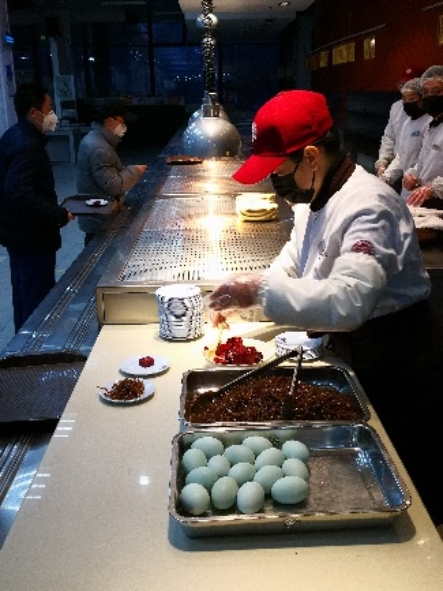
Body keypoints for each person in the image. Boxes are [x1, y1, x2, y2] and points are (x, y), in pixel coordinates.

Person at [208, 90, 443, 527]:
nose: (275, 180)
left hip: (396, 355)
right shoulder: (313, 197)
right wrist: (247, 295)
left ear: (311, 156)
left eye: (279, 169)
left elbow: (349, 301)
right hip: (352, 349)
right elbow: (293, 261)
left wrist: (259, 293)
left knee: (404, 475)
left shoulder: (370, 206)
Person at [0, 82, 75, 332]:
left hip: (16, 234)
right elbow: (18, 191)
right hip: (32, 237)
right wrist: (58, 214)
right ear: (33, 112)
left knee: (23, 295)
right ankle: (32, 348)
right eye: (48, 108)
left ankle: (21, 343)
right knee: (37, 302)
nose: (52, 114)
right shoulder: (28, 145)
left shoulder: (13, 134)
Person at [76, 99, 147, 245]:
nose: (124, 127)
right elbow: (113, 186)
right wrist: (135, 171)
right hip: (100, 219)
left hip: (94, 212)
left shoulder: (95, 139)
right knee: (96, 251)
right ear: (109, 121)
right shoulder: (100, 148)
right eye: (122, 122)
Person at [380, 78, 431, 200]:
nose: (407, 103)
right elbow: (401, 156)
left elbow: (428, 160)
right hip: (406, 188)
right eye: (404, 99)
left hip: (425, 188)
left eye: (412, 99)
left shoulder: (430, 123)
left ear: (422, 99)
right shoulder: (407, 123)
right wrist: (386, 177)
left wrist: (412, 175)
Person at [375, 67, 424, 180]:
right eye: (402, 84)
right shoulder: (397, 109)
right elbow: (389, 136)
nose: (405, 88)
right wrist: (383, 161)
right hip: (397, 166)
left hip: (418, 177)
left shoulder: (429, 120)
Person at [404, 65, 443, 207]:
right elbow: (424, 162)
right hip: (428, 203)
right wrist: (412, 174)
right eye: (426, 93)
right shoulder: (432, 126)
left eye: (436, 91)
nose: (430, 96)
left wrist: (433, 188)